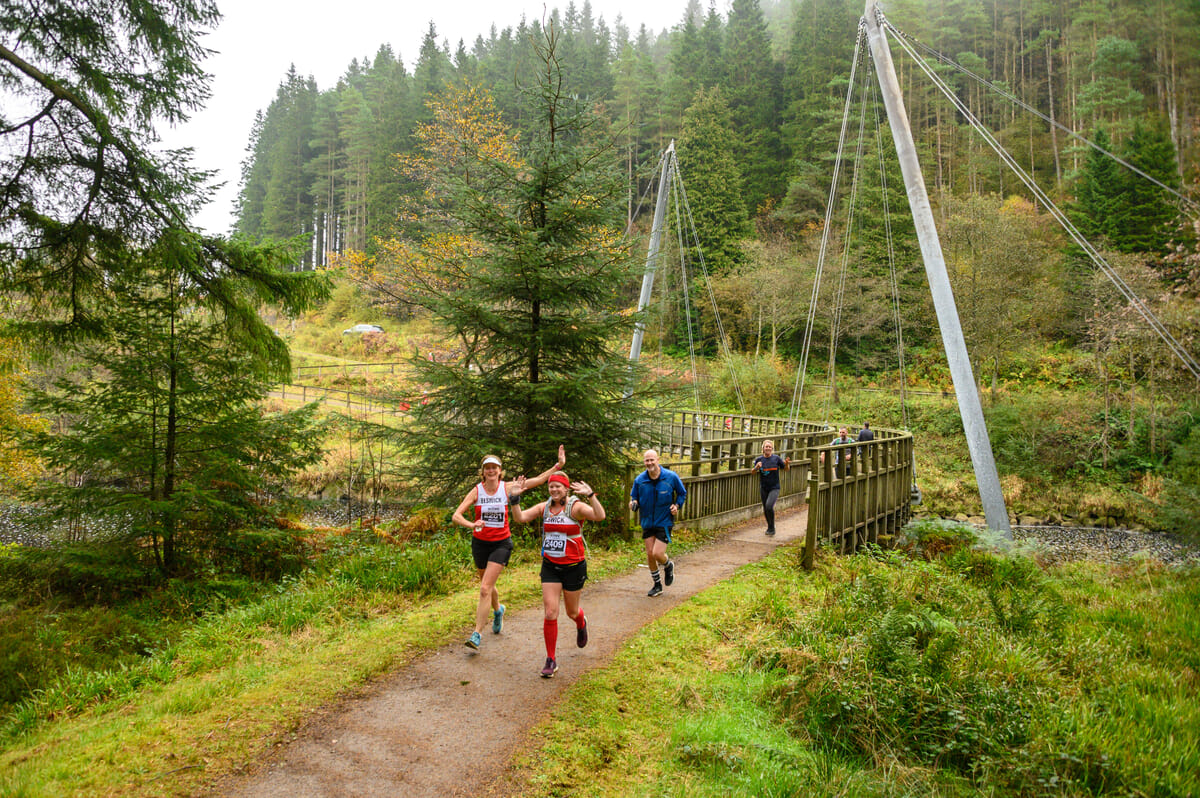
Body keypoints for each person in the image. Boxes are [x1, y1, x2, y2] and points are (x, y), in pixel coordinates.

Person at [451, 445, 565, 651]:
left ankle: (477, 633)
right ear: (483, 472)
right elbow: (456, 515)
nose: (491, 471)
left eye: (495, 467)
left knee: (485, 588)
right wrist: (472, 524)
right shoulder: (477, 491)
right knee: (488, 584)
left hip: (501, 543)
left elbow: (539, 480)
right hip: (480, 543)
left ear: (500, 471)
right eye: (487, 468)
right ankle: (498, 610)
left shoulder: (508, 488)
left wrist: (558, 465)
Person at [512, 470, 604, 678]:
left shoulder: (575, 507)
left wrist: (591, 496)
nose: (554, 490)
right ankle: (551, 659)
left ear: (566, 488)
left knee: (571, 612)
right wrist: (515, 499)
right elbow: (520, 518)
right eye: (551, 486)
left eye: (558, 486)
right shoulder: (544, 508)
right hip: (551, 566)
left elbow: (600, 516)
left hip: (573, 567)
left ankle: (581, 623)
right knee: (550, 612)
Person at [629, 449, 687, 597]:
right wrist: (633, 504)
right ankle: (657, 585)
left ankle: (668, 565)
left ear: (658, 460)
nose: (649, 463)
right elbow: (633, 497)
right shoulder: (640, 480)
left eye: (651, 460)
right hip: (647, 521)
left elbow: (682, 493)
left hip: (664, 520)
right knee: (650, 554)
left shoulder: (670, 477)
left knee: (657, 553)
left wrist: (677, 505)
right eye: (646, 461)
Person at [751, 440, 790, 536]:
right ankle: (770, 527)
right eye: (766, 447)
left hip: (774, 487)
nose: (768, 448)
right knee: (765, 508)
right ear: (763, 449)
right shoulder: (759, 460)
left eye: (769, 447)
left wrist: (787, 464)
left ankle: (772, 527)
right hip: (764, 487)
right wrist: (756, 467)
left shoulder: (776, 458)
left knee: (769, 506)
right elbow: (752, 472)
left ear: (772, 449)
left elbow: (785, 469)